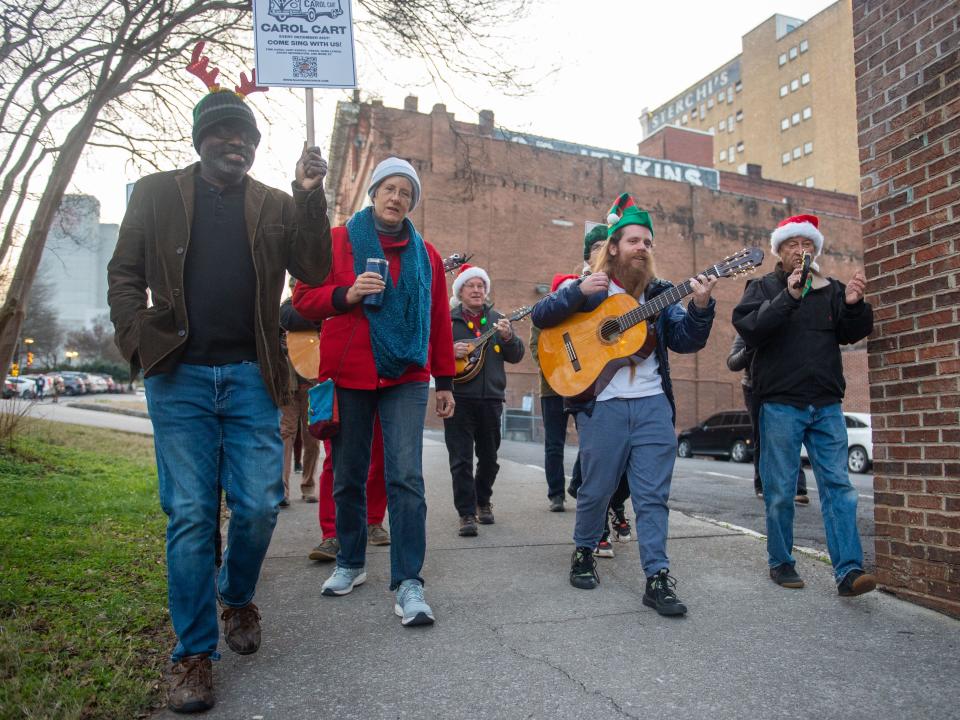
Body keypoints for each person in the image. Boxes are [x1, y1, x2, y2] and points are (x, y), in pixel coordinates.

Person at [107, 64, 332, 714]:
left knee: (260, 506)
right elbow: (125, 273)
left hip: (251, 377)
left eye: (246, 137)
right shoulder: (153, 195)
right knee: (191, 516)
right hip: (177, 378)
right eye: (224, 133)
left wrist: (311, 193)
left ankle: (237, 597)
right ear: (201, 139)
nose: (236, 144)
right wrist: (135, 341)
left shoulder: (275, 204)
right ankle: (194, 655)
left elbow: (314, 268)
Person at [531, 193, 716, 617]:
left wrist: (701, 307)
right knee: (596, 487)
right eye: (634, 240)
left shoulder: (662, 294)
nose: (642, 248)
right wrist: (576, 293)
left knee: (652, 495)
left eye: (648, 243)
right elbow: (542, 317)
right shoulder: (588, 287)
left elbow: (686, 340)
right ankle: (583, 552)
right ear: (613, 245)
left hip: (652, 404)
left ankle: (657, 577)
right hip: (604, 405)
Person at [293, 156, 455, 627]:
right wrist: (347, 294)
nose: (397, 197)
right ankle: (350, 561)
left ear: (412, 202)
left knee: (406, 477)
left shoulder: (427, 256)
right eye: (390, 188)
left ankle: (409, 581)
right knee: (347, 474)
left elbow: (439, 322)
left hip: (405, 376)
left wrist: (444, 380)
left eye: (406, 192)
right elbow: (303, 298)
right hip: (348, 374)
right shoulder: (338, 241)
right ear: (374, 193)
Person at [733, 214, 876, 597]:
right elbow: (750, 328)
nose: (801, 251)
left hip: (827, 405)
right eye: (793, 245)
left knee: (839, 487)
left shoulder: (832, 289)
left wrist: (855, 305)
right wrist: (789, 296)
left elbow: (851, 332)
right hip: (780, 404)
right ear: (779, 251)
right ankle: (781, 561)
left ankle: (848, 571)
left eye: (808, 245)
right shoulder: (762, 287)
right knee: (780, 490)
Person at [530, 224, 606, 513]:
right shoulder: (559, 303)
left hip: (584, 380)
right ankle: (556, 494)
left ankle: (577, 484)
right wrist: (555, 370)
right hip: (552, 386)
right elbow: (538, 347)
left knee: (590, 437)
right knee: (554, 443)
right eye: (595, 247)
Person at [446, 264, 525, 536]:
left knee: (489, 459)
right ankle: (466, 513)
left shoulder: (499, 320)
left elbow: (516, 356)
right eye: (471, 285)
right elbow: (430, 353)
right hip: (458, 399)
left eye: (481, 286)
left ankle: (483, 501)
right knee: (461, 460)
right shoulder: (448, 320)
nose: (477, 290)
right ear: (460, 290)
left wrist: (509, 337)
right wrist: (448, 351)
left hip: (491, 398)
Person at [727, 330, 808, 503]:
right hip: (754, 387)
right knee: (762, 435)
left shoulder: (783, 318)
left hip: (784, 385)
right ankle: (762, 485)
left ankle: (798, 487)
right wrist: (750, 347)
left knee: (789, 434)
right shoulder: (747, 327)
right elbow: (732, 362)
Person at [308, 423, 391, 561]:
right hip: (340, 402)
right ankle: (331, 534)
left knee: (381, 457)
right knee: (335, 459)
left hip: (382, 401)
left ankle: (373, 520)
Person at [279, 286, 321, 505]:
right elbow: (288, 319)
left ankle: (308, 486)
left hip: (313, 381)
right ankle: (282, 491)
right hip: (289, 382)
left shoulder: (319, 306)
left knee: (312, 436)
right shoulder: (285, 309)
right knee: (286, 432)